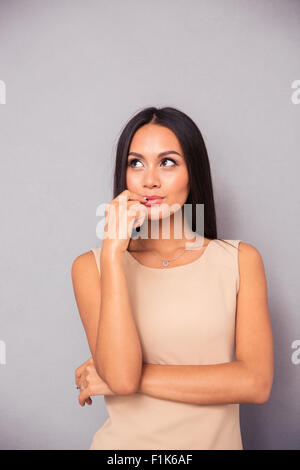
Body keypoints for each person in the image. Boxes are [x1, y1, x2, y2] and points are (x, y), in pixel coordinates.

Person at [71, 106, 274, 450]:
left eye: (167, 162)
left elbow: (255, 383)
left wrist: (131, 377)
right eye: (136, 163)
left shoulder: (240, 260)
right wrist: (112, 254)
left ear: (192, 172)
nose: (149, 179)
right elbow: (120, 377)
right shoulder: (92, 267)